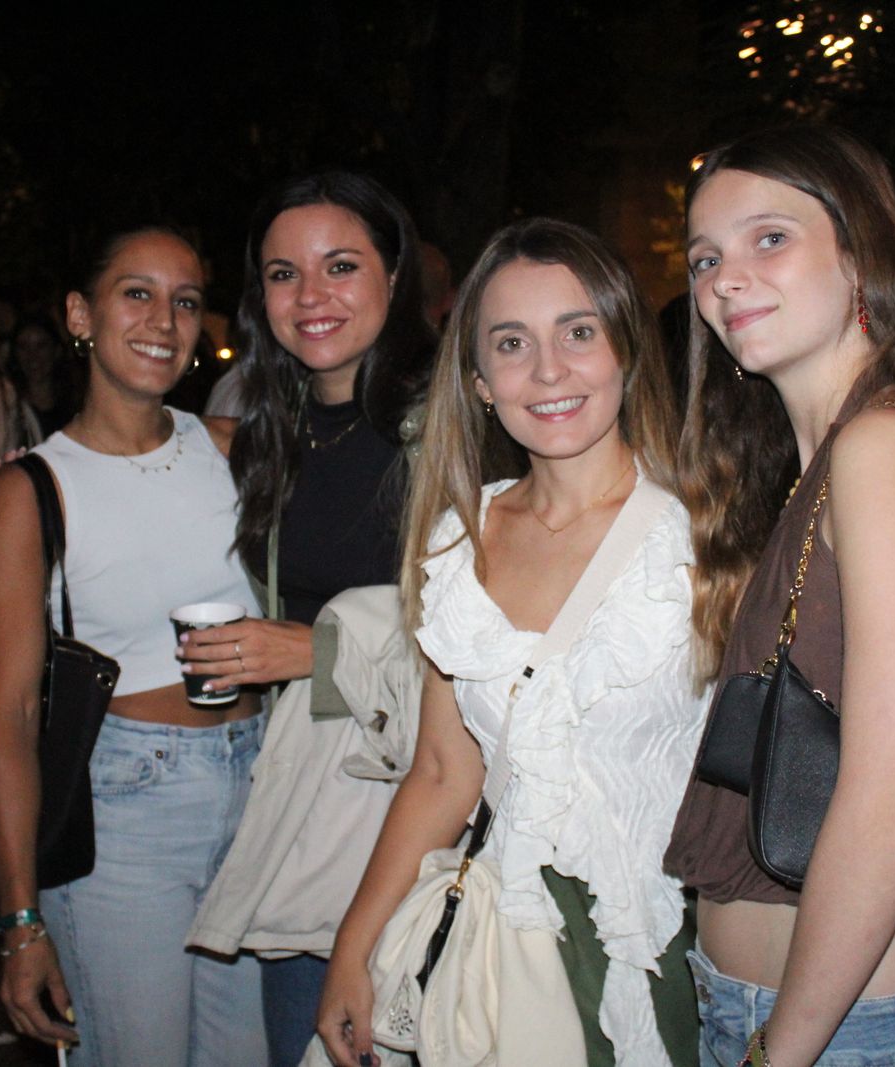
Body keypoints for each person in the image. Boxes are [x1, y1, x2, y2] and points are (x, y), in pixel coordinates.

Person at [665, 124, 895, 1067]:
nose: (727, 279)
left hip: (839, 1032)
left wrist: (779, 1050)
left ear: (862, 253)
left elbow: (892, 805)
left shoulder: (883, 445)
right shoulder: (834, 459)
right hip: (791, 1016)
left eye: (770, 238)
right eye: (705, 258)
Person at [316, 217, 704, 1066]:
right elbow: (442, 772)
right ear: (481, 381)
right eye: (512, 343)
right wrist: (354, 945)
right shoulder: (459, 538)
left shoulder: (702, 540)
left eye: (578, 332)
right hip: (502, 945)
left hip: (662, 949)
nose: (549, 370)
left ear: (626, 350)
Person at [0, 225, 267, 1067]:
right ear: (81, 314)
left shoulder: (230, 448)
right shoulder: (32, 488)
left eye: (185, 301)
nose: (164, 321)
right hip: (126, 810)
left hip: (260, 792)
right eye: (136, 293)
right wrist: (20, 920)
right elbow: (8, 714)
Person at [179, 170, 434, 1066]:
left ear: (394, 274)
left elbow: (506, 633)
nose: (311, 295)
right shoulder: (271, 433)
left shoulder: (455, 426)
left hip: (422, 812)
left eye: (340, 266)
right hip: (307, 808)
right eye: (283, 274)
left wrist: (316, 652)